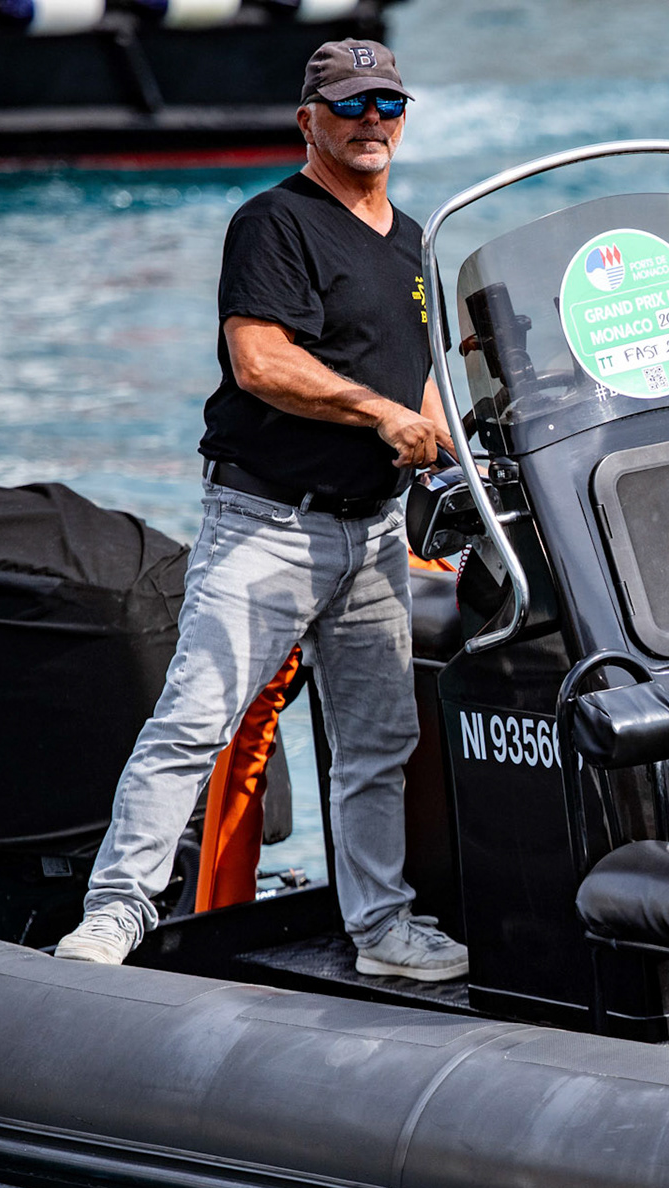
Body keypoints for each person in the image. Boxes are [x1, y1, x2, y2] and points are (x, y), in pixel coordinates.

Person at [55, 39, 468, 981]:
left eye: (389, 106)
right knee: (192, 722)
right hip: (266, 526)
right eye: (353, 106)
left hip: (372, 538)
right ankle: (116, 916)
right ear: (308, 120)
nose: (373, 123)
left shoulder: (414, 246)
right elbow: (260, 362)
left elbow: (425, 383)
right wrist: (379, 414)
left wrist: (450, 461)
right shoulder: (274, 222)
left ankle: (382, 929)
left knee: (379, 744)